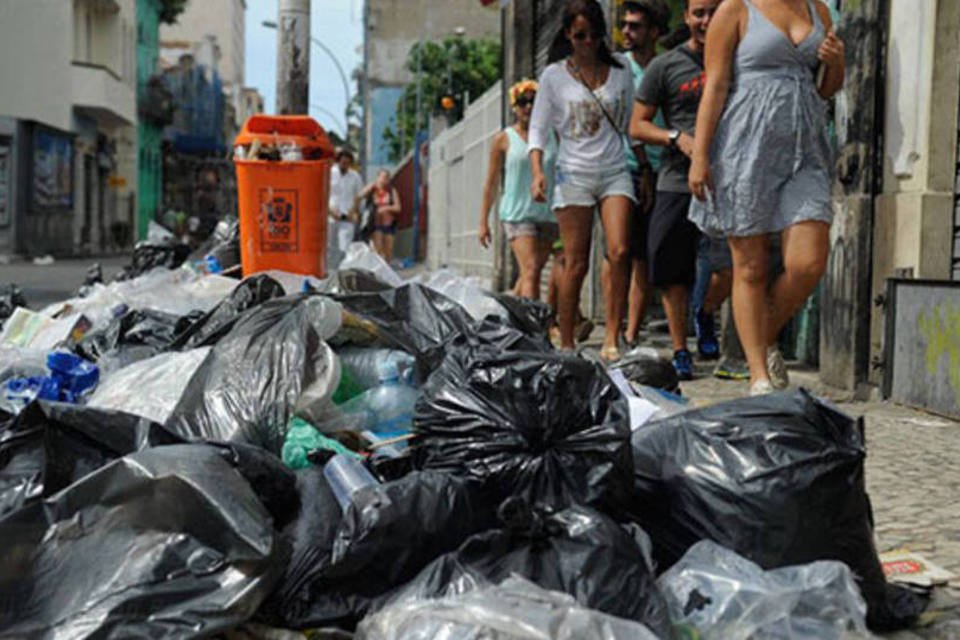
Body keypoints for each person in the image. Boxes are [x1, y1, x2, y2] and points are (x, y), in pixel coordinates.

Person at [687, 0, 845, 394]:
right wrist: (700, 155)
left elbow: (823, 88)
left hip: (804, 147)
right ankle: (759, 374)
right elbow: (716, 85)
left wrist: (837, 64)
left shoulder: (819, 11)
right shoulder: (735, 10)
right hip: (745, 146)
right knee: (751, 267)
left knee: (808, 262)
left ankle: (761, 335)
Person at [529, 0, 637, 360]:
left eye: (593, 35)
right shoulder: (554, 77)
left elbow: (631, 124)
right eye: (579, 35)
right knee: (575, 262)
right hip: (573, 173)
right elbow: (538, 129)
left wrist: (645, 168)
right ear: (567, 36)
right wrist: (537, 172)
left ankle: (613, 336)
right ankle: (567, 340)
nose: (587, 42)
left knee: (620, 250)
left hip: (614, 170)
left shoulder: (621, 71)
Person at [630, 0, 722, 380]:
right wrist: (675, 137)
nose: (706, 20)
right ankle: (681, 348)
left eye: (713, 11)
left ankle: (705, 310)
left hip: (729, 178)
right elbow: (637, 125)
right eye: (698, 12)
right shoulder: (664, 66)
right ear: (686, 18)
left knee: (733, 264)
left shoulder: (741, 59)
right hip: (675, 180)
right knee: (669, 268)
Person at [598, 0, 669, 349]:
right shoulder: (617, 67)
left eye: (635, 26)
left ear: (655, 32)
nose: (626, 31)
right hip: (623, 166)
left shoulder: (664, 67)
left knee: (645, 256)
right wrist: (641, 166)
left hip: (662, 167)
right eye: (624, 25)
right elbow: (623, 118)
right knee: (617, 251)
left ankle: (631, 333)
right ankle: (612, 326)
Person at [479, 79, 558, 300]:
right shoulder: (503, 139)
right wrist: (483, 222)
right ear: (514, 107)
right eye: (523, 102)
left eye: (534, 102)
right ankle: (533, 330)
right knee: (531, 268)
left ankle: (510, 312)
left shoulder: (554, 135)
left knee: (530, 274)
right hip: (517, 214)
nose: (529, 107)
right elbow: (491, 182)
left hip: (548, 213)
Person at [359, 169, 402, 262]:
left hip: (389, 223)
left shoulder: (391, 190)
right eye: (382, 177)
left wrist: (386, 208)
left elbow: (398, 207)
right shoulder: (372, 189)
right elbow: (359, 196)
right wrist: (368, 188)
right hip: (375, 223)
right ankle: (378, 271)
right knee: (378, 250)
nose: (384, 180)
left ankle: (387, 270)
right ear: (377, 177)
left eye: (386, 177)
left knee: (388, 251)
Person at [328, 148, 364, 256]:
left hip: (347, 215)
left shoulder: (355, 176)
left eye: (348, 163)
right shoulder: (329, 173)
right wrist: (330, 212)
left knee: (345, 247)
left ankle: (343, 271)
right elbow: (321, 194)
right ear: (338, 161)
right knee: (328, 246)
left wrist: (354, 212)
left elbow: (359, 196)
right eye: (343, 162)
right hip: (330, 215)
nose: (345, 165)